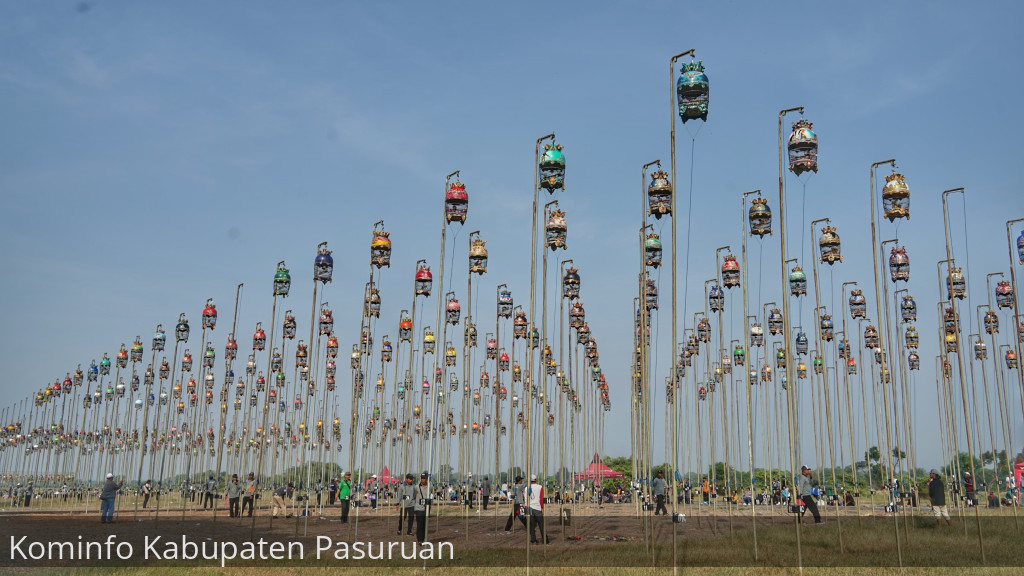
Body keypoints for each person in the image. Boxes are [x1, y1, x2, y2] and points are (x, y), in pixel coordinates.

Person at [524, 474, 549, 544]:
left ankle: (533, 539)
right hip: (537, 508)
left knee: (531, 525)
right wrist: (542, 508)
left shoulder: (526, 488)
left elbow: (525, 499)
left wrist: (526, 508)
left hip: (529, 507)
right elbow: (541, 499)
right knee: (541, 524)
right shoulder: (540, 487)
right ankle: (545, 540)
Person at [413, 472, 431, 543]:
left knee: (424, 524)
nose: (423, 480)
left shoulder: (429, 487)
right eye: (422, 478)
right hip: (418, 508)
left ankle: (423, 539)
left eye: (424, 478)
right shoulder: (417, 487)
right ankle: (420, 540)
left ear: (427, 479)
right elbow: (414, 496)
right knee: (419, 524)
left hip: (426, 508)